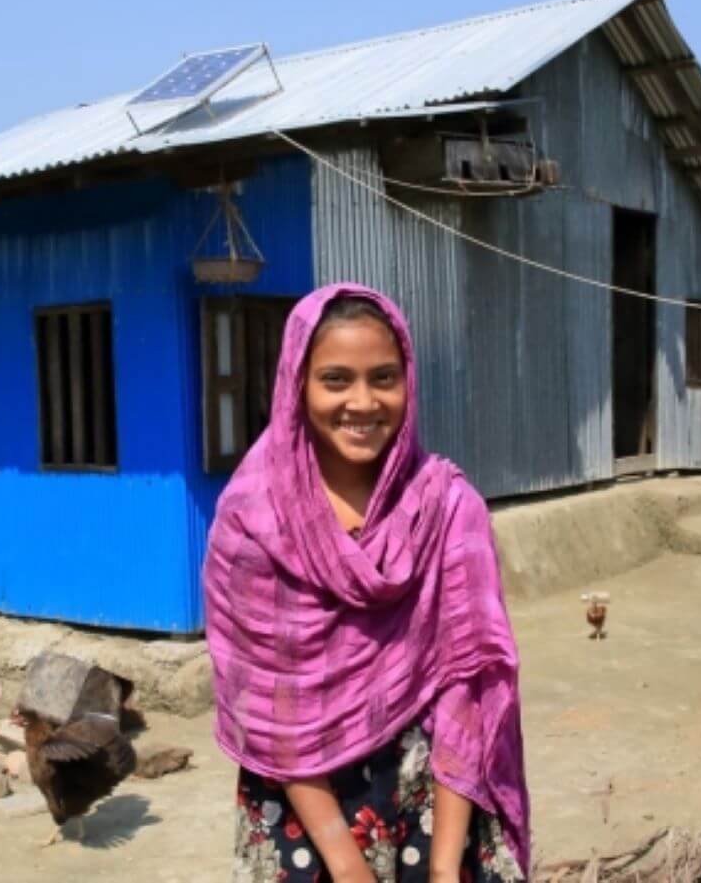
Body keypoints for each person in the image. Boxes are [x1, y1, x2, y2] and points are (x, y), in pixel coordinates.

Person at [205, 283, 530, 883]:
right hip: (301, 809)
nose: (362, 401)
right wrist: (347, 864)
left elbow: (468, 689)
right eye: (335, 379)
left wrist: (442, 867)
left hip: (434, 801)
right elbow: (270, 713)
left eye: (384, 378)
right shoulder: (252, 521)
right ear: (296, 387)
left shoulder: (447, 508)